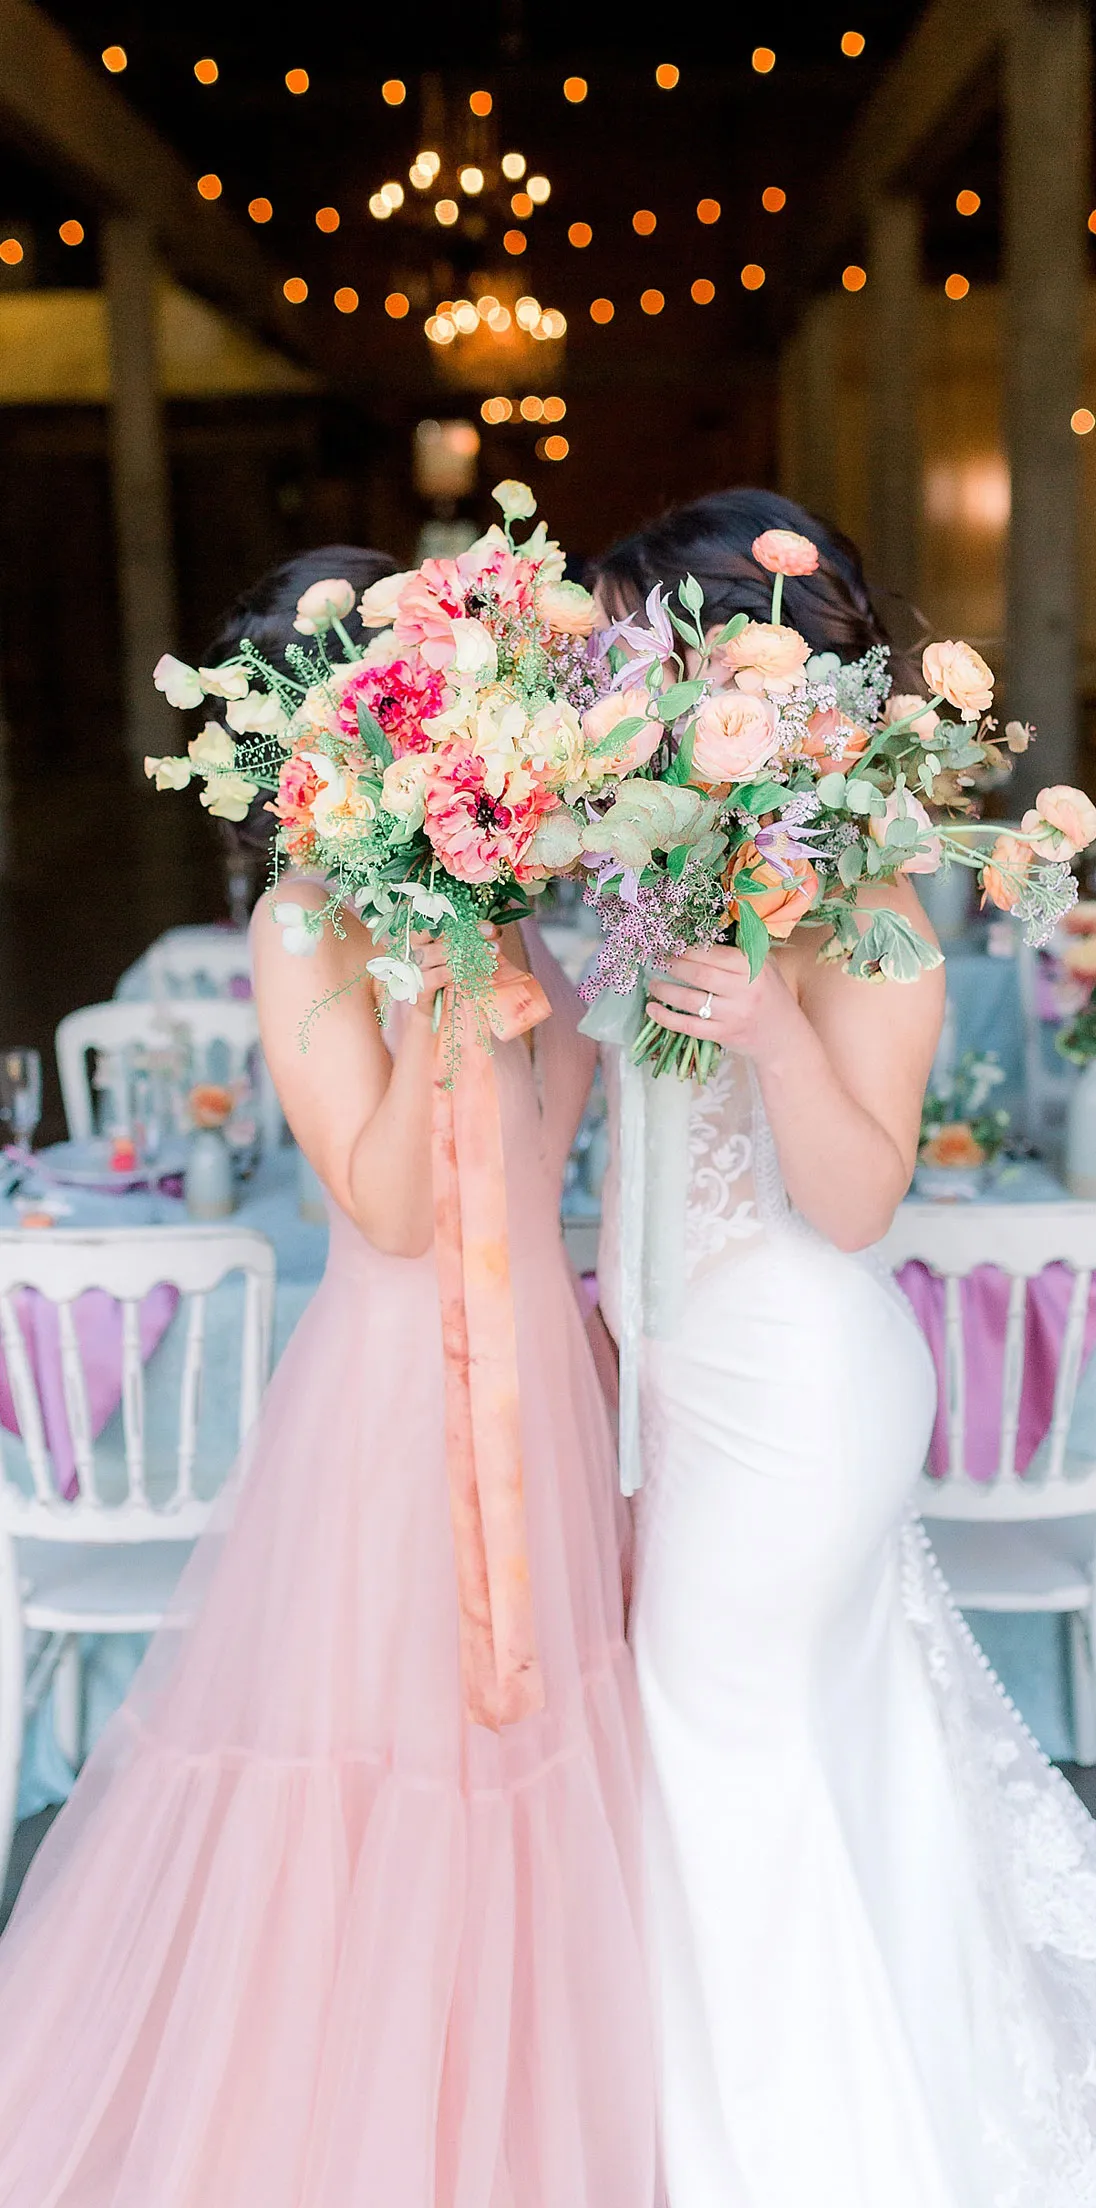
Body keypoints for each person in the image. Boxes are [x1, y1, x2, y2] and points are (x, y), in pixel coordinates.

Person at [0, 548, 657, 2206]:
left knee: (537, 1757)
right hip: (394, 1395)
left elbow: (554, 1146)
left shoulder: (504, 900)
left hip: (542, 1378)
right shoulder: (306, 921)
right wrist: (439, 960)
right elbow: (376, 1203)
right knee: (394, 1761)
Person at [589, 489, 1096, 2208]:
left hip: (801, 1389)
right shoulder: (662, 863)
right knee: (790, 1751)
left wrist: (770, 1022)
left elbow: (862, 1194)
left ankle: (788, 2162)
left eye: (630, 648)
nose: (607, 680)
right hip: (685, 1376)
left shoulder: (874, 891)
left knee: (712, 1743)